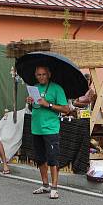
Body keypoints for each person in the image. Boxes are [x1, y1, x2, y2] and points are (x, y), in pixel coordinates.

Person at [26, 65, 72, 198]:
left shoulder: (57, 88)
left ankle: (54, 187)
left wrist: (49, 104)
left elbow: (66, 109)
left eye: (43, 74)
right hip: (36, 128)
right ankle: (45, 185)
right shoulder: (33, 88)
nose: (41, 77)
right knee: (40, 158)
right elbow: (34, 106)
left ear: (49, 74)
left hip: (50, 128)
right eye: (38, 75)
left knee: (52, 158)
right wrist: (29, 102)